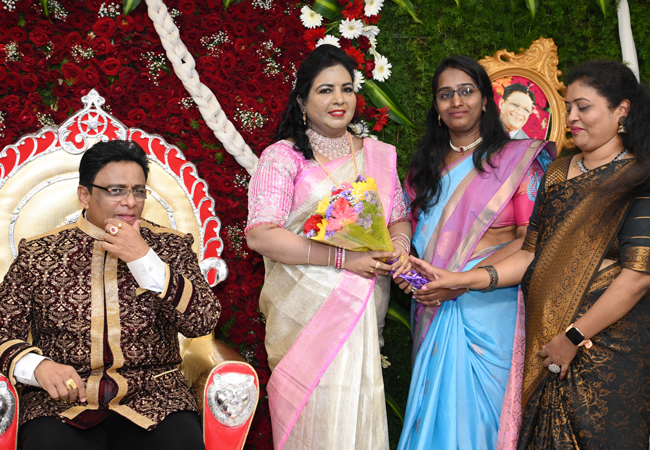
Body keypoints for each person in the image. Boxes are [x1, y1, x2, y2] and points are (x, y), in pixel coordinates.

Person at [406, 60, 650, 450]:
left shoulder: (640, 177)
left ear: (621, 110)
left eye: (582, 107)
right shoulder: (556, 173)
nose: (571, 117)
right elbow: (530, 254)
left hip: (606, 346)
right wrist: (461, 281)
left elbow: (637, 277)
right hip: (544, 341)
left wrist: (573, 336)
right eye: (568, 107)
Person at [0, 140, 220, 450]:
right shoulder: (39, 253)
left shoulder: (170, 247)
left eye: (139, 191)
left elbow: (203, 322)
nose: (130, 202)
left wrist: (145, 259)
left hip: (156, 402)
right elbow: (2, 331)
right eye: (116, 191)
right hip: (63, 404)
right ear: (84, 195)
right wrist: (37, 367)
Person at [245, 44, 411, 450]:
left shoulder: (378, 155)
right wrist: (343, 258)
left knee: (356, 414)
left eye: (347, 88)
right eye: (325, 90)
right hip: (303, 319)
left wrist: (401, 244)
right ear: (302, 100)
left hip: (359, 311)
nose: (339, 99)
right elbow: (261, 234)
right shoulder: (282, 158)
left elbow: (398, 217)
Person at [397, 56, 555, 450]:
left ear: (486, 100)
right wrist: (406, 271)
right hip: (434, 308)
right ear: (436, 106)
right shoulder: (423, 171)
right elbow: (412, 242)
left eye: (466, 91)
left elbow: (534, 240)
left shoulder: (521, 162)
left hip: (492, 308)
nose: (456, 101)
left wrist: (463, 280)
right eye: (445, 94)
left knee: (482, 424)